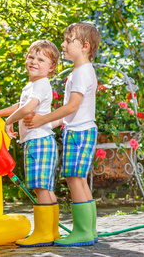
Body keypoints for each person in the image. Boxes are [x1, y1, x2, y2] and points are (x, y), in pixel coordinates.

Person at [24, 22, 101, 246]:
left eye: (69, 41)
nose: (63, 45)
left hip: (79, 133)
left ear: (85, 46)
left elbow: (71, 107)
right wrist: (50, 124)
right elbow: (70, 112)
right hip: (80, 130)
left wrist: (41, 119)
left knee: (74, 179)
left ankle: (83, 232)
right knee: (79, 180)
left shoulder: (80, 73)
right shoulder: (83, 71)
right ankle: (89, 231)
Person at [0, 39, 60, 247]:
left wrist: (9, 121)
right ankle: (52, 232)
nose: (34, 61)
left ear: (51, 68)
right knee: (45, 188)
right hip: (40, 142)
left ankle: (44, 233)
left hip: (39, 142)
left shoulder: (41, 84)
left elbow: (27, 109)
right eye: (31, 57)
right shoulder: (34, 85)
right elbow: (22, 104)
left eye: (41, 59)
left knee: (40, 188)